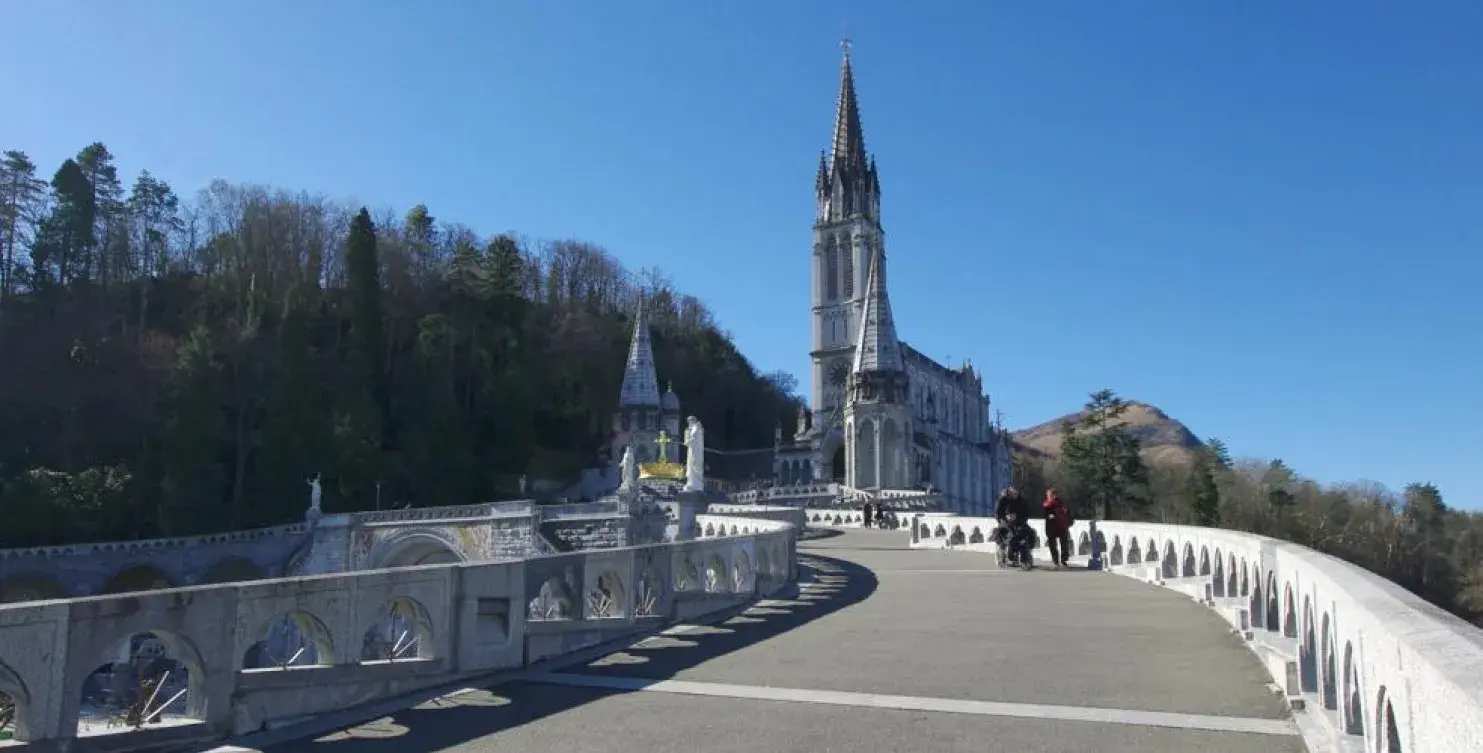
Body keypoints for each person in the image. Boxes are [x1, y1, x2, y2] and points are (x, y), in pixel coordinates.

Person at [994, 487, 1029, 564]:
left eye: (1015, 493)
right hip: (1005, 522)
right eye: (1012, 493)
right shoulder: (1003, 499)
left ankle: (1024, 557)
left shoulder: (1021, 501)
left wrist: (1018, 519)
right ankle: (1002, 553)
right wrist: (1002, 520)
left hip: (1017, 522)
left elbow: (1025, 514)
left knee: (1024, 534)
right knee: (1003, 534)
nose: (1014, 495)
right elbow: (998, 512)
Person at [1043, 488, 1074, 568]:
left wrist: (1067, 518)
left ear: (1055, 495)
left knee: (1064, 544)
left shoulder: (1061, 503)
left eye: (1050, 495)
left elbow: (1068, 512)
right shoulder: (1046, 504)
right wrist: (1049, 516)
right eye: (1048, 495)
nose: (1049, 497)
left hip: (1061, 526)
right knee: (1052, 545)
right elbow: (1044, 515)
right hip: (1050, 527)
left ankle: (1064, 560)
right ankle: (1055, 560)